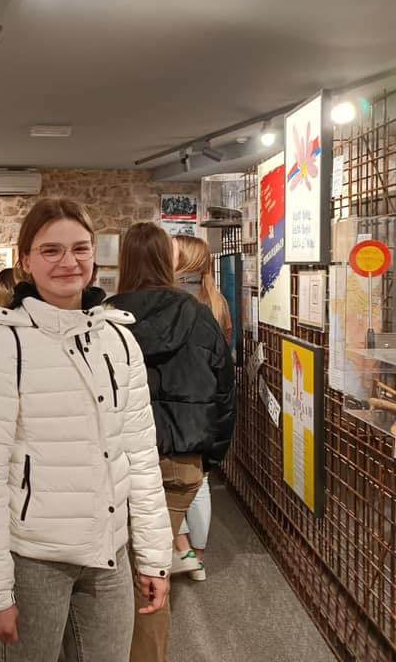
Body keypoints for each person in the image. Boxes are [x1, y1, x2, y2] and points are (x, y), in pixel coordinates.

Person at [0, 197, 172, 662]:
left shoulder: (118, 338)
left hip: (109, 551)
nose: (68, 262)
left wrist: (155, 554)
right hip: (34, 558)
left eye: (80, 249)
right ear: (25, 262)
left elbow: (139, 454)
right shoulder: (3, 346)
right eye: (51, 250)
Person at [108, 223, 236, 662]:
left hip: (123, 463)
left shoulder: (107, 317)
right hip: (182, 461)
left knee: (122, 574)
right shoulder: (199, 314)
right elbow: (224, 392)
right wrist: (209, 460)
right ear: (168, 260)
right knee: (151, 571)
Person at [171, 234, 234, 581]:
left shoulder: (178, 302)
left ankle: (181, 549)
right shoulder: (218, 301)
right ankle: (199, 556)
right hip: (209, 402)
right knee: (202, 481)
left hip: (179, 400)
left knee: (173, 478)